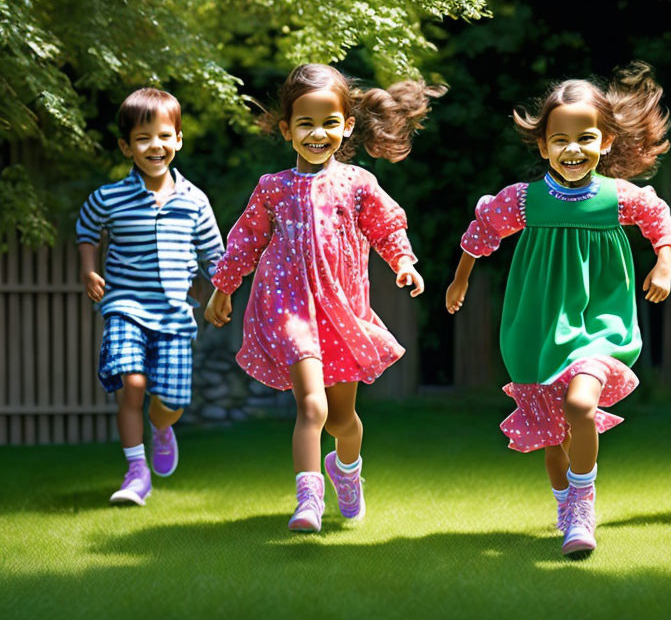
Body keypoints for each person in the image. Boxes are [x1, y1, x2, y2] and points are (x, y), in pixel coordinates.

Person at [446, 63, 671, 558]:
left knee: (580, 406)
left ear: (607, 142)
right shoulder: (524, 201)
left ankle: (582, 504)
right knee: (554, 439)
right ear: (544, 145)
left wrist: (664, 264)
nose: (573, 149)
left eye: (586, 137)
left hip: (601, 324)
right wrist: (460, 279)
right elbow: (481, 233)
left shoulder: (618, 198)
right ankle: (565, 501)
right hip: (538, 329)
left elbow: (660, 220)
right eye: (560, 139)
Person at [206, 63, 441, 532]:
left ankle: (346, 471)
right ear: (286, 129)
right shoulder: (272, 188)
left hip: (340, 311)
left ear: (347, 126)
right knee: (311, 407)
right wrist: (223, 288)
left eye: (329, 123)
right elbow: (245, 241)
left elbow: (386, 227)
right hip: (287, 308)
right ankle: (308, 501)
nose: (318, 133)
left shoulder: (357, 183)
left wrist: (404, 263)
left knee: (341, 421)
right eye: (305, 124)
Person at [77, 88, 224, 506]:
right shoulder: (109, 198)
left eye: (163, 136)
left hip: (177, 314)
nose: (154, 146)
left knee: (172, 401)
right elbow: (87, 230)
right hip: (125, 306)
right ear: (126, 146)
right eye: (143, 138)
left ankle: (162, 428)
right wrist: (89, 269)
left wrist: (221, 294)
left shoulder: (195, 201)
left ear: (178, 139)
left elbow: (214, 254)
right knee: (133, 384)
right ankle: (136, 471)